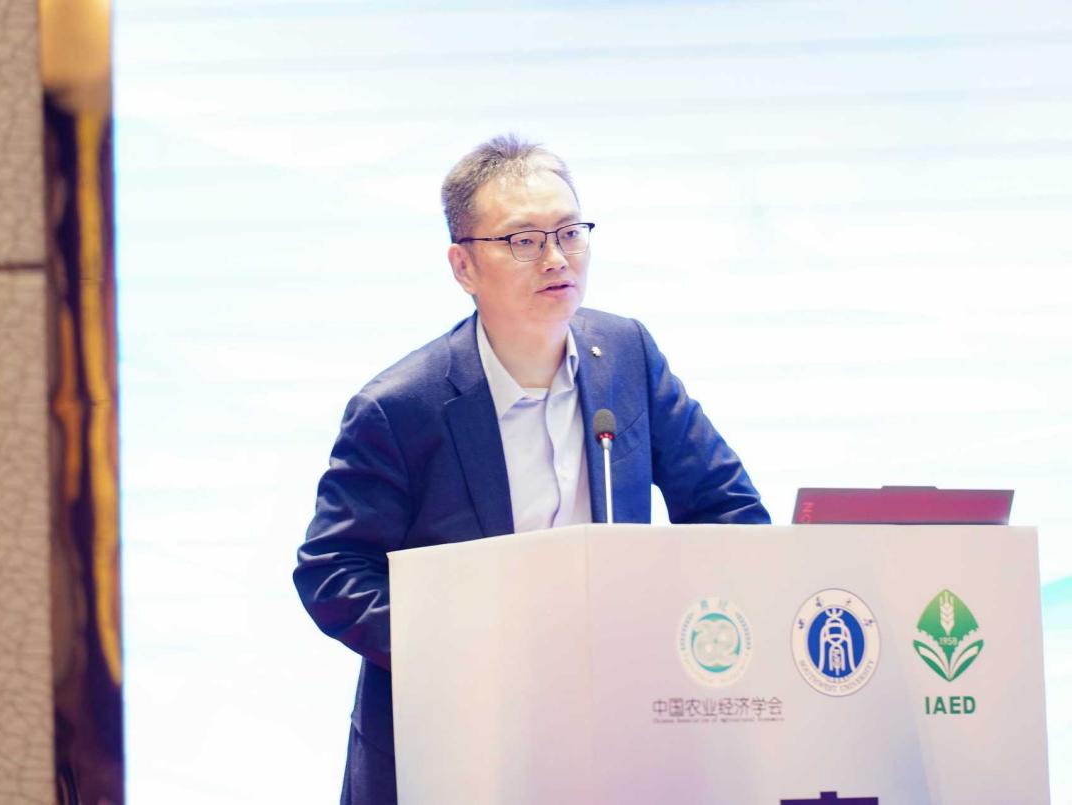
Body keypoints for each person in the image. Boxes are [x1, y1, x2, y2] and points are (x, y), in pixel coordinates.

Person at [294, 134, 770, 804]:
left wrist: (672, 628)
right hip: (452, 741)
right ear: (463, 266)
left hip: (618, 729)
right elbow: (332, 571)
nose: (555, 258)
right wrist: (470, 652)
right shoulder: (400, 407)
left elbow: (728, 511)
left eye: (570, 232)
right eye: (523, 240)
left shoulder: (627, 355)